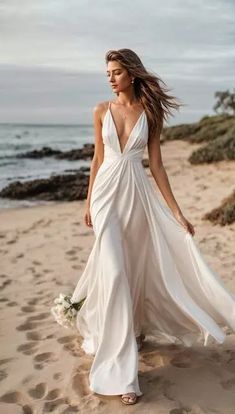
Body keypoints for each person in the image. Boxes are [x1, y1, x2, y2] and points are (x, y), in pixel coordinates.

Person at [71, 48, 235, 405]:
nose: (110, 77)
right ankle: (122, 374)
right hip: (105, 198)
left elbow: (157, 166)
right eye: (108, 73)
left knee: (132, 269)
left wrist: (177, 213)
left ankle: (133, 329)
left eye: (116, 71)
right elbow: (98, 158)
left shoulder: (150, 113)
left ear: (131, 73)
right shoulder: (100, 111)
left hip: (137, 197)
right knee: (114, 271)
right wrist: (87, 202)